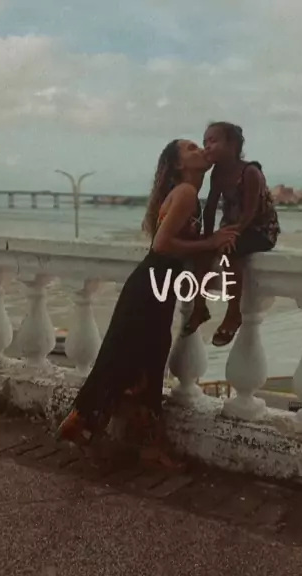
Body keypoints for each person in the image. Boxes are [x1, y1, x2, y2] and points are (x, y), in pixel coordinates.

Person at [57, 139, 239, 470]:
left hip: (154, 284)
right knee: (139, 362)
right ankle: (100, 429)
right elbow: (162, 244)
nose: (200, 149)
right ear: (179, 165)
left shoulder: (188, 194)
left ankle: (101, 429)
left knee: (135, 361)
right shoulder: (186, 192)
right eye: (190, 149)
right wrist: (211, 242)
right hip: (151, 286)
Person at [182, 121, 281, 346]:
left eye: (213, 141)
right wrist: (208, 237)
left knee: (231, 252)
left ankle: (233, 312)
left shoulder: (250, 172)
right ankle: (199, 307)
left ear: (233, 145)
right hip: (233, 227)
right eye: (205, 141)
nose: (207, 146)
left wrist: (233, 234)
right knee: (203, 252)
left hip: (259, 230)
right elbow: (210, 208)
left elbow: (250, 211)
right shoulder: (217, 173)